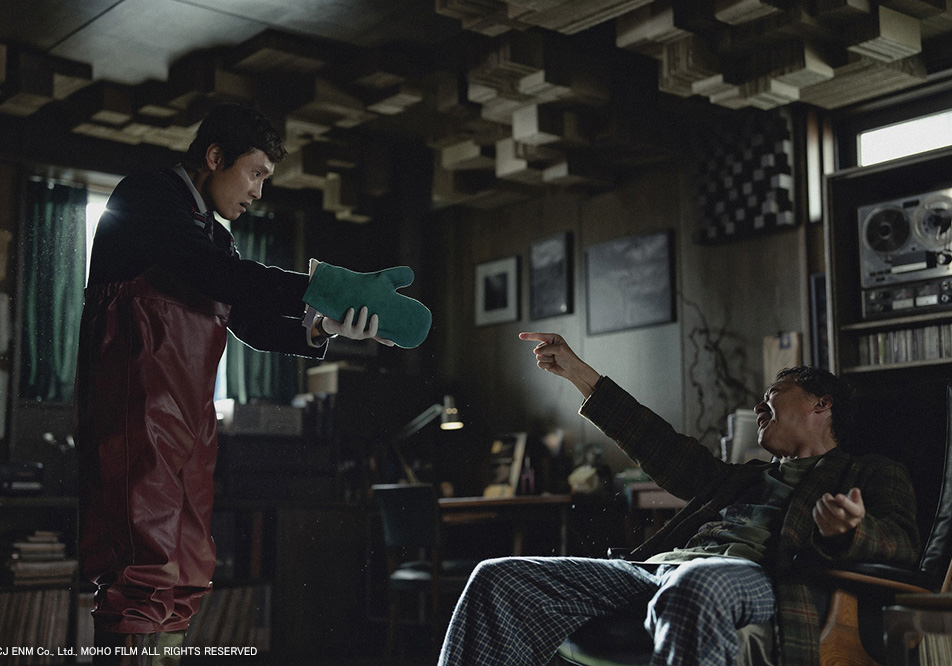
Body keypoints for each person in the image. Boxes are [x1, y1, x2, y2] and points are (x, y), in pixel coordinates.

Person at [74, 103, 391, 663]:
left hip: (190, 421)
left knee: (188, 567)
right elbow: (214, 274)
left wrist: (325, 327)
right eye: (255, 173)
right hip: (136, 409)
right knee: (141, 566)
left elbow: (252, 321)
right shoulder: (148, 196)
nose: (258, 193)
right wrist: (325, 288)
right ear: (216, 156)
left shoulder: (215, 240)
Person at [438, 331, 920, 666]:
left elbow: (901, 544)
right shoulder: (741, 479)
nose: (758, 406)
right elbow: (661, 447)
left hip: (761, 580)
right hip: (656, 571)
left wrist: (851, 531)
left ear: (821, 403)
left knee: (695, 583)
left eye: (775, 392)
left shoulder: (868, 471)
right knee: (498, 577)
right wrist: (579, 374)